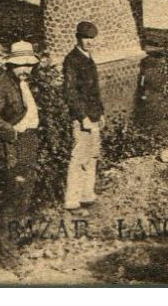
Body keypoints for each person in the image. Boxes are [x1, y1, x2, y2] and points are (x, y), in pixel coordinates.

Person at [0, 39, 43, 262]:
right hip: (11, 148)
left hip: (26, 143)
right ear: (10, 65)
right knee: (15, 197)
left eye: (29, 64)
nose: (26, 69)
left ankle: (14, 246)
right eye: (21, 64)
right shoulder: (2, 86)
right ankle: (8, 256)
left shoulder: (21, 83)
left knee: (24, 195)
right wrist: (12, 132)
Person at [63, 21, 105, 210]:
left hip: (94, 115)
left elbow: (94, 91)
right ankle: (72, 199)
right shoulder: (72, 60)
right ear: (78, 38)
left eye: (91, 39)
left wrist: (101, 113)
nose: (89, 42)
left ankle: (87, 194)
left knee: (92, 155)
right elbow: (70, 93)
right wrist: (82, 117)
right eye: (85, 38)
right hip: (83, 118)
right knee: (79, 157)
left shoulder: (88, 57)